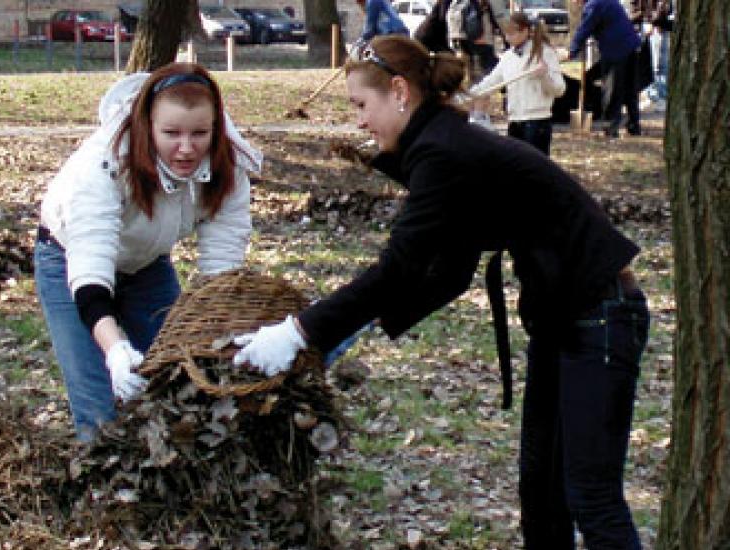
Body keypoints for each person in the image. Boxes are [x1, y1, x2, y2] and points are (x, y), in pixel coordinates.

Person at [233, 35, 650, 549]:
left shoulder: (443, 152)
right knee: (541, 493)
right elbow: (448, 272)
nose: (359, 121)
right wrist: (350, 328)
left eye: (362, 106)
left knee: (591, 498)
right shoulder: (445, 144)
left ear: (400, 92)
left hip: (601, 317)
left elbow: (397, 268)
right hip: (563, 318)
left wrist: (300, 332)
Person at [35, 62, 261, 441]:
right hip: (67, 261)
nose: (187, 149)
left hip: (147, 266)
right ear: (147, 126)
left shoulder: (228, 166)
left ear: (216, 129)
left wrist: (217, 333)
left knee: (178, 378)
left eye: (200, 134)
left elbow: (221, 269)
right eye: (171, 133)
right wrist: (115, 351)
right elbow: (90, 272)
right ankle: (104, 489)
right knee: (100, 411)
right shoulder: (104, 165)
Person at [469, 12, 566, 155]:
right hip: (515, 121)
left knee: (535, 168)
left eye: (512, 34)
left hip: (537, 122)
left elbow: (559, 89)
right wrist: (470, 94)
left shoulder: (544, 53)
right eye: (506, 34)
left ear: (525, 31)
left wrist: (544, 76)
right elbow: (491, 82)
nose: (507, 38)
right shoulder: (508, 57)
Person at [414, 0, 508, 127]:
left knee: (470, 75)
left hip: (457, 40)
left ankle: (470, 107)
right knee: (488, 74)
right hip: (477, 39)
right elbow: (499, 17)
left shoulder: (450, 4)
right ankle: (476, 108)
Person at [568, 0, 642, 137]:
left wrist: (572, 50)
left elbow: (585, 28)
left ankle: (611, 127)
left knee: (612, 89)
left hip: (615, 49)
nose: (575, 4)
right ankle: (634, 125)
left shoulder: (593, 5)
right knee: (630, 89)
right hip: (631, 46)